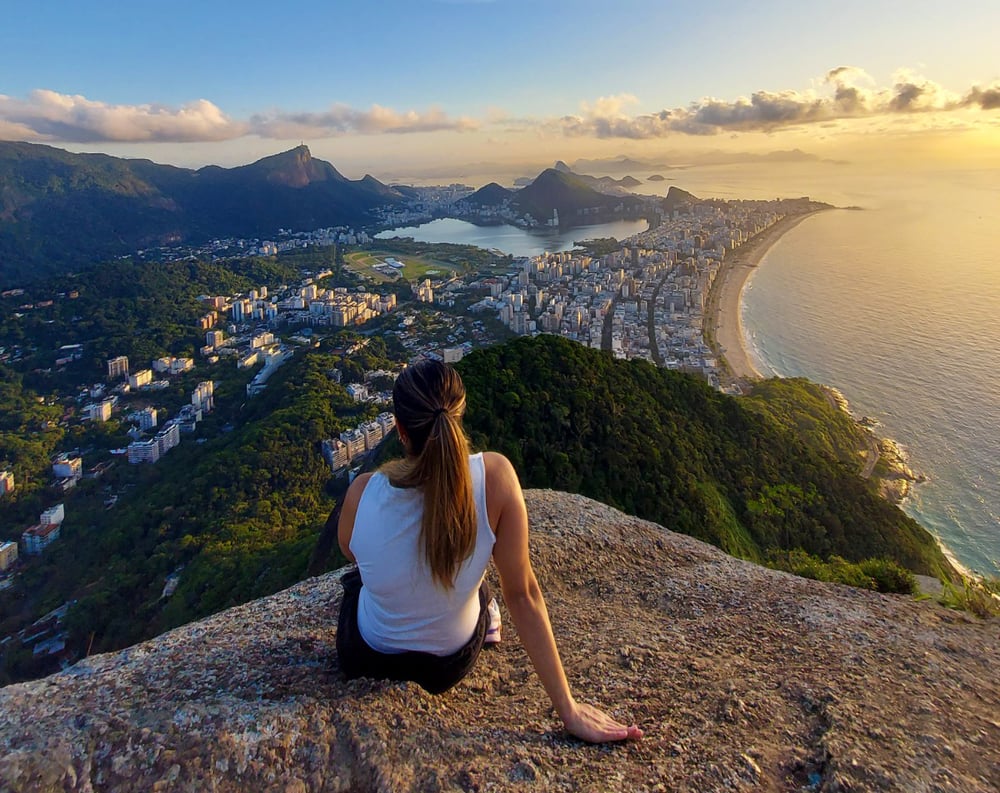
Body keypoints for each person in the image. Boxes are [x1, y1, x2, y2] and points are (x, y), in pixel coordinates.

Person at [335, 359, 642, 743]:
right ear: (459, 416)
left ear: (399, 430)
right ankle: (486, 616)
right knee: (480, 585)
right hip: (448, 666)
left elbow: (351, 551)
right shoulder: (495, 478)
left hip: (369, 659)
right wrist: (569, 709)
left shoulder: (363, 492)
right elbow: (524, 593)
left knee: (355, 582)